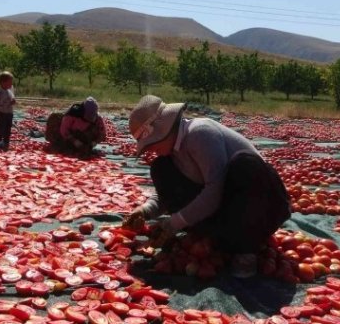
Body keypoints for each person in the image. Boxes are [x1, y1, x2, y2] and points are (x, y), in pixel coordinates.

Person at [124, 95, 291, 278]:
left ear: (163, 131)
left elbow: (214, 191)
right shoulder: (173, 152)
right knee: (160, 168)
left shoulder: (200, 133)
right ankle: (219, 241)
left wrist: (173, 224)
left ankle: (246, 249)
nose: (149, 150)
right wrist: (145, 211)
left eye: (150, 144)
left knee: (244, 166)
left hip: (262, 207)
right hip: (228, 207)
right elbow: (167, 195)